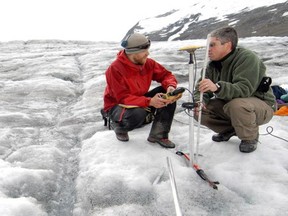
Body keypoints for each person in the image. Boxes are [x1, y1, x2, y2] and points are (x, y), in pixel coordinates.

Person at [193, 26, 276, 153]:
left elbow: (244, 89)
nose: (207, 50)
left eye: (212, 45)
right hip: (231, 104)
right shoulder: (211, 65)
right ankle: (231, 130)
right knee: (201, 111)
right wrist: (200, 101)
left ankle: (250, 137)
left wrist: (217, 87)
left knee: (237, 105)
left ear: (227, 45)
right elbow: (201, 89)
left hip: (261, 106)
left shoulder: (247, 58)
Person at [102, 33, 180, 148]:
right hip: (117, 105)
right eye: (144, 51)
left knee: (167, 94)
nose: (147, 54)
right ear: (133, 53)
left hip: (138, 99)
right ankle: (119, 126)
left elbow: (166, 75)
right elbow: (122, 98)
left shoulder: (148, 63)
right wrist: (149, 102)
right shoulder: (115, 69)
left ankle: (158, 134)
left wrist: (170, 86)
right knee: (138, 113)